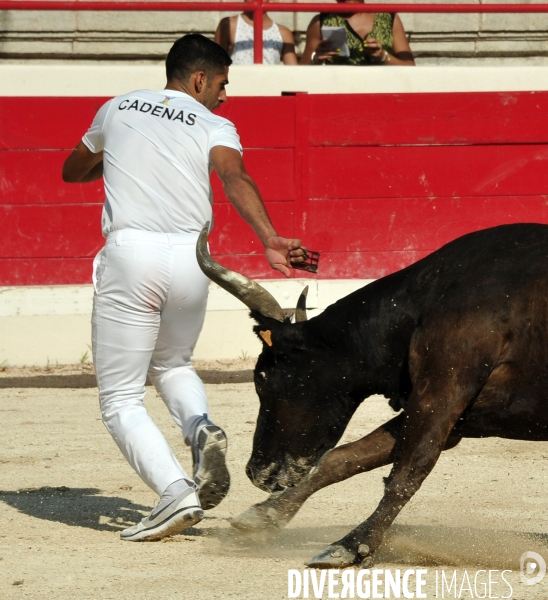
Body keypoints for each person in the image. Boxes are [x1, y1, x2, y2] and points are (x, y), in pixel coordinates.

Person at [62, 34, 306, 542]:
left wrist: (126, 159)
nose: (224, 94)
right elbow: (234, 178)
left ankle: (175, 491)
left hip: (133, 256)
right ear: (199, 79)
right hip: (194, 261)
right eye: (222, 82)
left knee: (121, 399)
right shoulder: (214, 123)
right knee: (173, 364)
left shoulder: (117, 107)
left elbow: (72, 170)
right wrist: (270, 239)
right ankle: (199, 427)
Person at [300, 0, 415, 66]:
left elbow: (410, 67)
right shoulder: (321, 21)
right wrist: (316, 59)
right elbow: (301, 70)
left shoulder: (388, 17)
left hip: (384, 93)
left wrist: (383, 57)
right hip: (341, 94)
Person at [214, 7, 298, 65]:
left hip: (269, 87)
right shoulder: (229, 24)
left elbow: (294, 72)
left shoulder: (283, 32)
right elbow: (215, 63)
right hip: (237, 87)